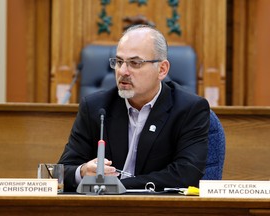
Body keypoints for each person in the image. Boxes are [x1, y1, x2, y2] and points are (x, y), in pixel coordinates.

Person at [58, 24, 210, 192]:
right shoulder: (96, 107)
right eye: (119, 62)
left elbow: (186, 175)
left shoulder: (189, 109)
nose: (123, 71)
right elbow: (63, 171)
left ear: (162, 69)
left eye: (135, 63)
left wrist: (115, 187)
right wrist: (83, 171)